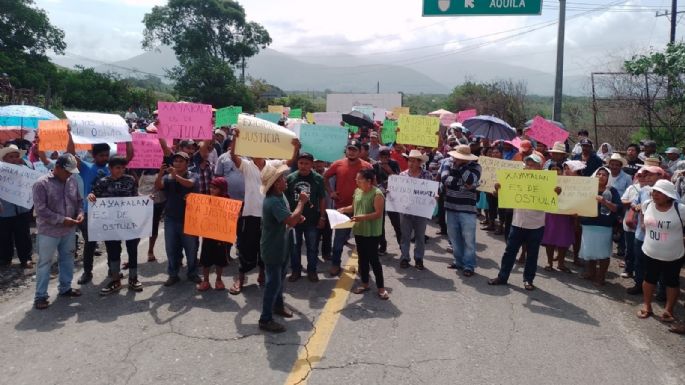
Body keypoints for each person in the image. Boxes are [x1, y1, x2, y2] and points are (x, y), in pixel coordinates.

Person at [227, 129, 299, 295]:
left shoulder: (273, 164)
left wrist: (295, 148)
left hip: (268, 216)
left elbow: (289, 162)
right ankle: (241, 278)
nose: (255, 153)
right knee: (245, 247)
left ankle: (261, 275)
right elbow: (233, 156)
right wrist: (235, 138)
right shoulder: (246, 165)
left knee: (264, 247)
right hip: (250, 214)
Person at [67, 132, 133, 285]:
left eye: (107, 155)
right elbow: (71, 154)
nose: (105, 157)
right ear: (94, 155)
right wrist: (69, 134)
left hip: (112, 213)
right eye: (102, 155)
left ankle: (113, 269)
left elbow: (129, 157)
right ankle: (87, 272)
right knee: (90, 244)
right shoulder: (86, 168)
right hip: (91, 212)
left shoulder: (113, 167)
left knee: (113, 243)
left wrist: (128, 138)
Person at [488, 154, 561, 290]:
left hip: (536, 225)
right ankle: (502, 277)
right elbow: (499, 196)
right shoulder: (517, 179)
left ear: (540, 168)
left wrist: (557, 192)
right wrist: (498, 189)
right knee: (510, 252)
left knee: (532, 254)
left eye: (533, 165)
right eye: (528, 164)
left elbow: (554, 199)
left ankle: (528, 280)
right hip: (517, 223)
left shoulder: (547, 182)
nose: (530, 167)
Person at [258, 163, 309, 333]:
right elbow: (290, 220)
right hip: (273, 247)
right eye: (281, 178)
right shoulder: (273, 201)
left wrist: (296, 216)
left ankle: (277, 306)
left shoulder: (280, 196)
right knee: (273, 283)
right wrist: (301, 203)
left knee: (279, 279)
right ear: (274, 183)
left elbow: (289, 217)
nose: (285, 179)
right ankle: (265, 319)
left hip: (282, 244)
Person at [32, 154, 84, 309]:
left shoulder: (72, 181)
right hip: (49, 231)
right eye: (67, 171)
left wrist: (80, 213)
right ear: (58, 167)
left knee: (67, 258)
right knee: (44, 263)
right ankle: (40, 296)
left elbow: (79, 201)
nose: (69, 174)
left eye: (71, 172)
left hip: (68, 229)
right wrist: (63, 220)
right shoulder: (41, 184)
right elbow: (41, 210)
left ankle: (65, 288)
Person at [88, 155, 143, 294]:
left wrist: (145, 200)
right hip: (110, 224)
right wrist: (91, 196)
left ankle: (133, 278)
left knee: (132, 249)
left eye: (123, 167)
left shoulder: (130, 180)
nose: (121, 170)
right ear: (110, 168)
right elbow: (94, 197)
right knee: (113, 251)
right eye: (118, 168)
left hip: (129, 222)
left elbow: (135, 197)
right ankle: (115, 280)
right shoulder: (102, 182)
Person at [635, 180, 685, 324]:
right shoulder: (647, 205)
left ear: (669, 196)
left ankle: (669, 310)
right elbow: (644, 221)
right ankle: (647, 305)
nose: (655, 195)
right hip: (650, 251)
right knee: (649, 278)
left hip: (673, 255)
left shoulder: (680, 209)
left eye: (660, 193)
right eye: (654, 191)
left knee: (672, 282)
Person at [323, 140, 372, 276]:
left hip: (361, 210)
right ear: (346, 150)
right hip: (342, 209)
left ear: (359, 151)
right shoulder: (338, 164)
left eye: (354, 149)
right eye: (349, 149)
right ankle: (335, 264)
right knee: (338, 240)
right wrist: (331, 192)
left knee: (362, 241)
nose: (351, 152)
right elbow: (325, 177)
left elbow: (373, 185)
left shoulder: (367, 166)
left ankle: (363, 266)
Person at [338, 169, 389, 300]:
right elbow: (354, 207)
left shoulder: (377, 194)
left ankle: (381, 288)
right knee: (362, 258)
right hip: (359, 230)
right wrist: (344, 209)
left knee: (374, 260)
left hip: (372, 232)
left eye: (359, 179)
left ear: (369, 181)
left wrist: (362, 218)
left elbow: (378, 213)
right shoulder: (357, 191)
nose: (356, 181)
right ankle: (365, 284)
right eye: (356, 179)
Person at [155, 151, 200, 286]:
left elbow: (189, 184)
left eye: (181, 161)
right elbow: (159, 186)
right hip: (171, 218)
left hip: (189, 219)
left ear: (187, 163)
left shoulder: (194, 175)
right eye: (176, 161)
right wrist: (160, 173)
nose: (177, 163)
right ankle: (173, 274)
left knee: (191, 249)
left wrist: (176, 176)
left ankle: (192, 273)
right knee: (171, 248)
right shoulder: (168, 177)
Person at [441, 145, 481, 276]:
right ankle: (458, 261)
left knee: (468, 239)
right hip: (451, 206)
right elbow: (445, 179)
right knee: (454, 237)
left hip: (467, 209)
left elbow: (470, 180)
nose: (456, 159)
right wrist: (465, 185)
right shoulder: (447, 162)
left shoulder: (476, 167)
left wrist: (462, 167)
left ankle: (469, 265)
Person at [286, 152, 326, 283]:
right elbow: (285, 200)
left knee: (312, 247)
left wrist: (322, 217)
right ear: (297, 163)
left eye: (306, 163)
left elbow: (322, 199)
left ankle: (312, 271)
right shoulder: (290, 178)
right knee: (294, 247)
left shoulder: (318, 178)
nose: (303, 166)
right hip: (294, 220)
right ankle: (296, 270)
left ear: (312, 165)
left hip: (312, 220)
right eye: (301, 163)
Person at [579, 167, 621, 286]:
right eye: (599, 174)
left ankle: (601, 277)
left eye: (604, 175)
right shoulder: (588, 189)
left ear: (608, 178)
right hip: (588, 224)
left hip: (604, 226)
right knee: (590, 251)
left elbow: (617, 208)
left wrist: (604, 202)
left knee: (603, 253)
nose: (601, 176)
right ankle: (591, 273)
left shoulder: (612, 191)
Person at [626, 166, 664, 295]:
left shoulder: (669, 192)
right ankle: (639, 285)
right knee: (639, 261)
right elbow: (633, 203)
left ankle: (660, 290)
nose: (647, 177)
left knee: (658, 264)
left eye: (651, 175)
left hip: (659, 236)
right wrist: (635, 207)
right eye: (646, 175)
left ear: (660, 176)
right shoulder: (643, 190)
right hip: (641, 235)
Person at [398, 150, 434, 270]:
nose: (411, 163)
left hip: (421, 211)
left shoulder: (427, 175)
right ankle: (404, 258)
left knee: (420, 236)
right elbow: (398, 192)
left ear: (420, 162)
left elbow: (432, 192)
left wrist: (434, 196)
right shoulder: (402, 175)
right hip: (406, 210)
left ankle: (419, 259)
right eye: (409, 161)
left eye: (414, 161)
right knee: (405, 236)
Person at [0, 145, 33, 268]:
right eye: (11, 156)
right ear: (4, 158)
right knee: (4, 236)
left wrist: (22, 161)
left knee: (23, 235)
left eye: (16, 156)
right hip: (4, 210)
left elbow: (32, 169)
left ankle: (26, 259)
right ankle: (5, 258)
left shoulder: (24, 168)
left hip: (22, 209)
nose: (14, 159)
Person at [197, 177, 230, 291]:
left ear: (222, 189)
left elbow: (231, 216)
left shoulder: (228, 202)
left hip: (221, 237)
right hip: (207, 236)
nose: (212, 190)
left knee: (220, 260)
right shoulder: (206, 200)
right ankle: (205, 281)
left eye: (215, 188)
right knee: (206, 259)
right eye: (211, 187)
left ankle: (219, 279)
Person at [541, 161, 574, 273]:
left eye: (558, 169)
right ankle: (549, 262)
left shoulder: (569, 182)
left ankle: (561, 263)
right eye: (553, 169)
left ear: (562, 171)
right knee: (550, 239)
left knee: (563, 239)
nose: (555, 171)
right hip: (550, 214)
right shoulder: (544, 182)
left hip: (565, 214)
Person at [374, 146, 401, 255]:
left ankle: (402, 245)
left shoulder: (394, 164)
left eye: (386, 156)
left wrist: (388, 169)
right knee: (380, 223)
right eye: (382, 156)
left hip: (393, 197)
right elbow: (374, 181)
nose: (384, 158)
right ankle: (382, 245)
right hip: (380, 197)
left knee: (396, 223)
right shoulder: (375, 165)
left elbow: (399, 179)